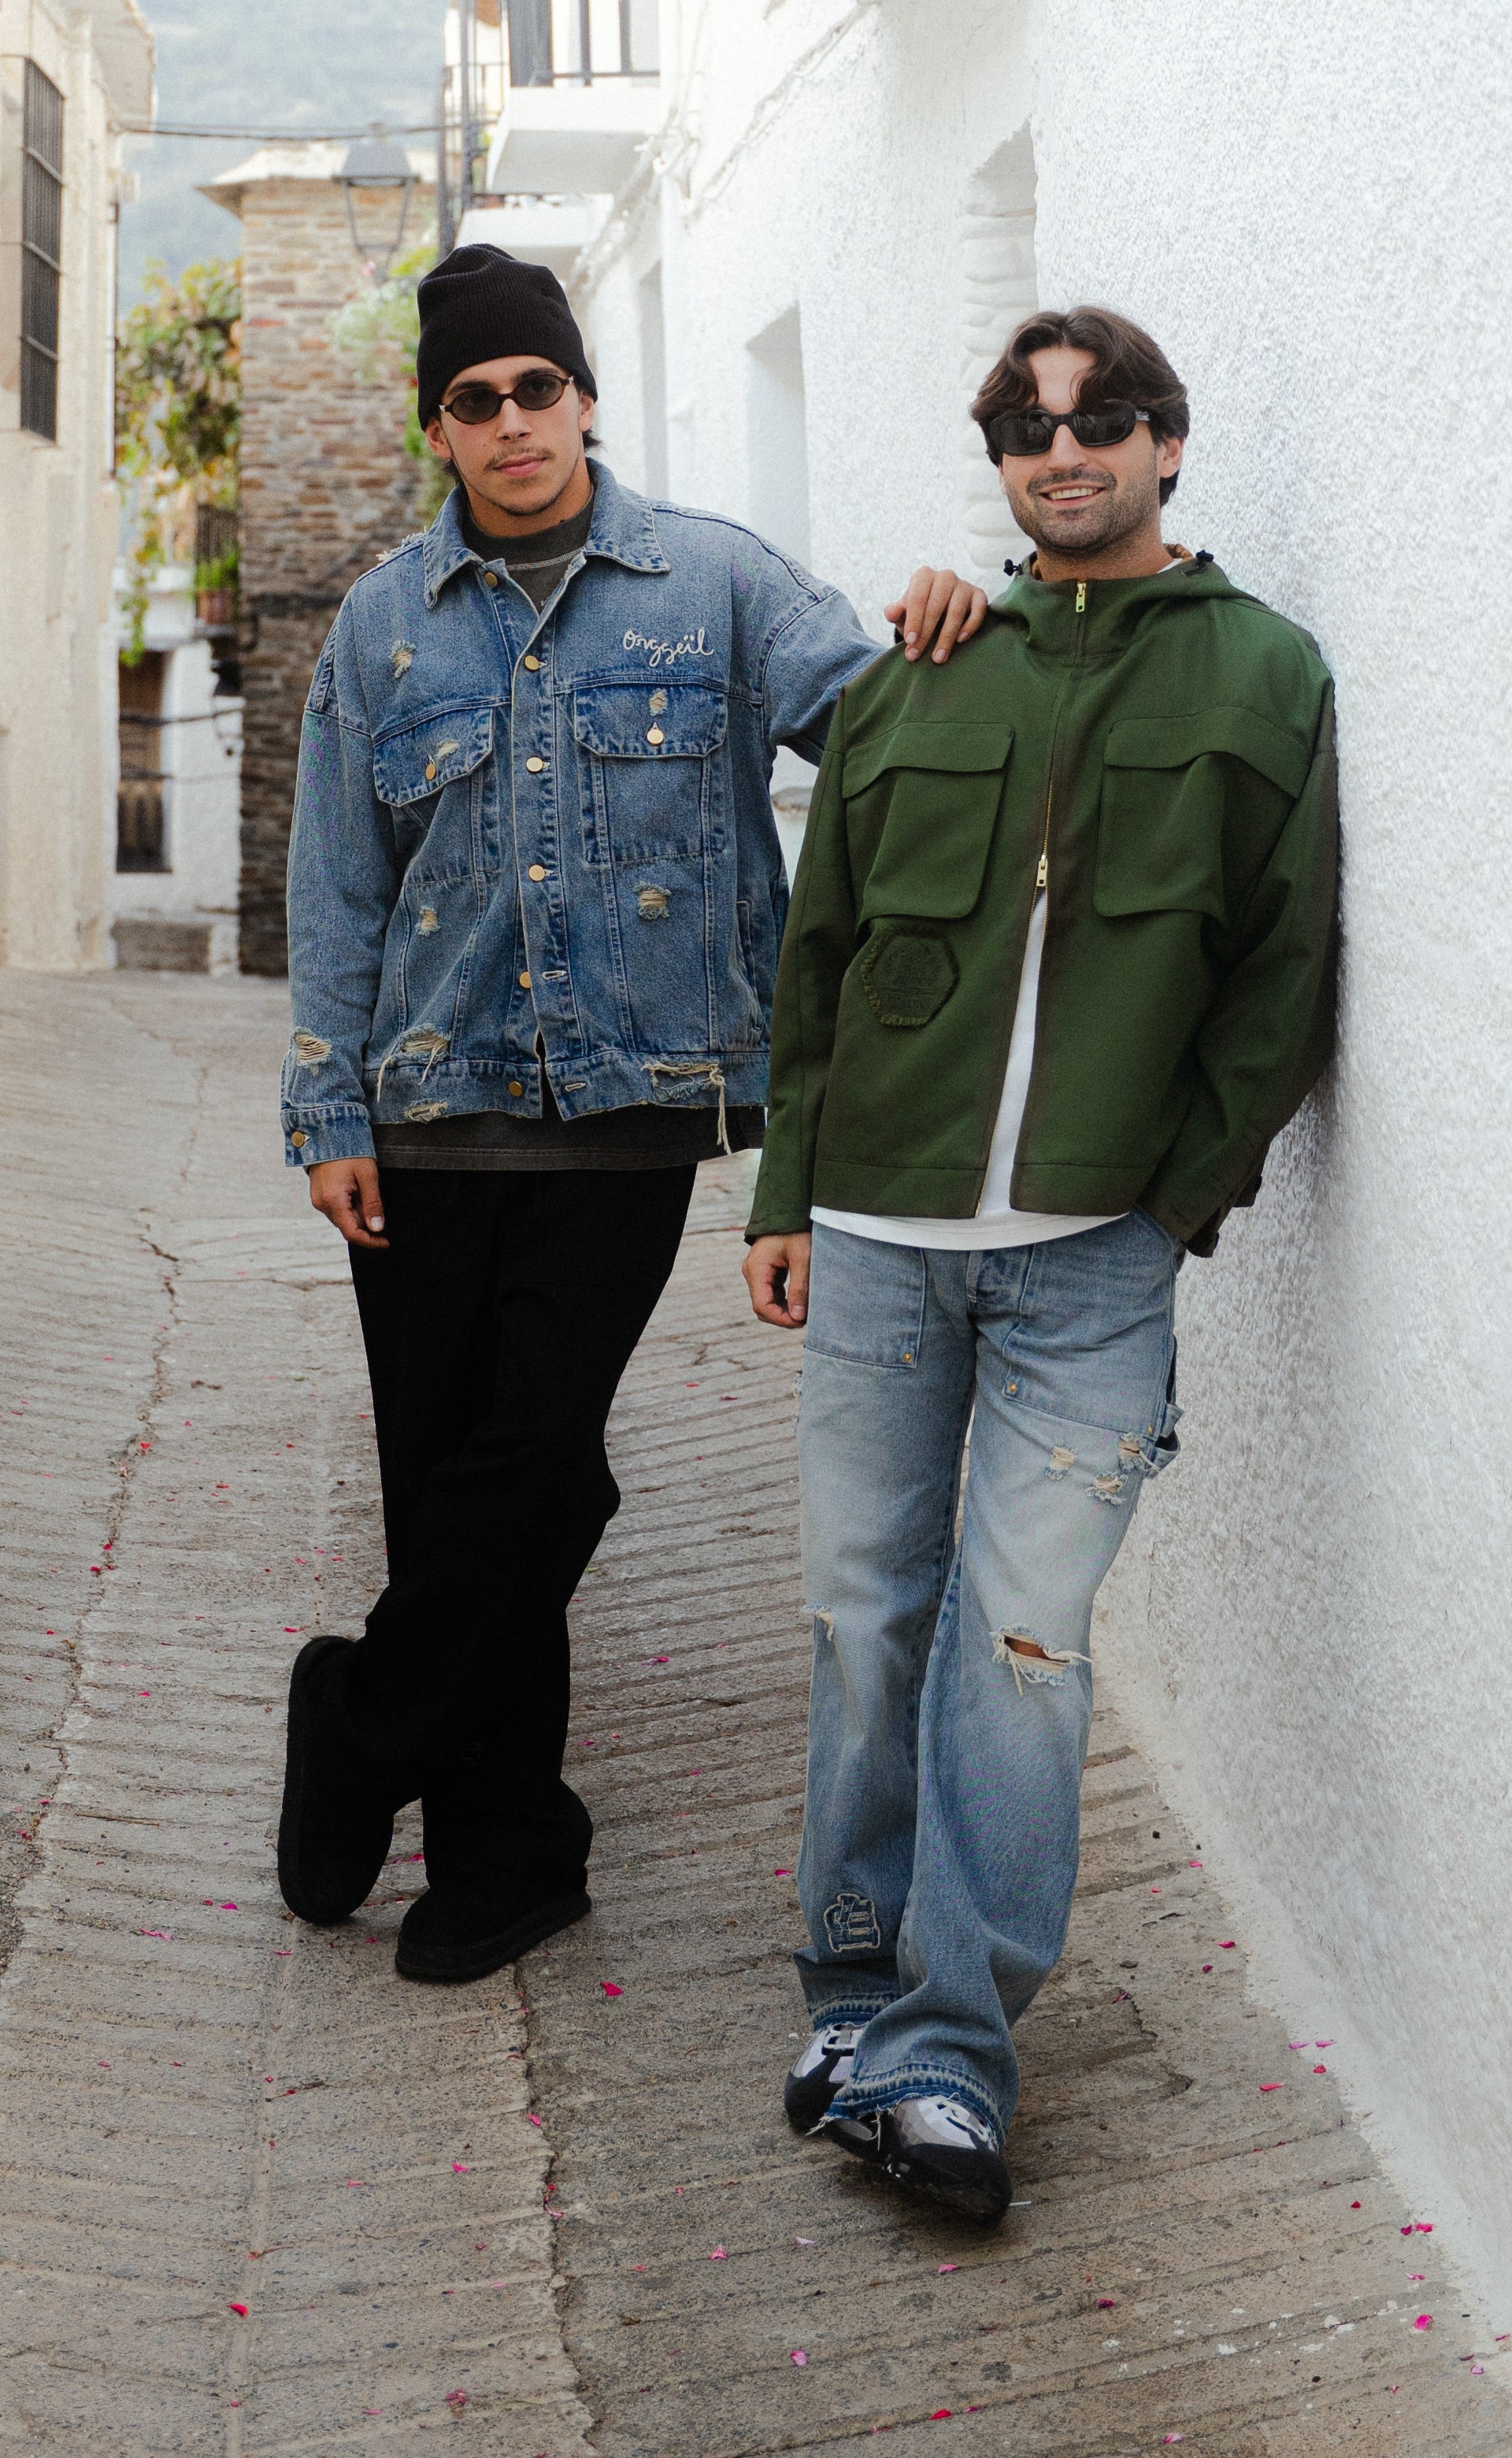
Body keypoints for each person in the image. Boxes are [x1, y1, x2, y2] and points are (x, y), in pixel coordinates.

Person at [276, 244, 990, 1985]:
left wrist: (967, 624)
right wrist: (328, 1104)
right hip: (422, 1114)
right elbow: (337, 884)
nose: (512, 421)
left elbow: (888, 733)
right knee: (445, 1486)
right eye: (475, 400)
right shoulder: (381, 625)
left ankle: (357, 1722)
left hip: (628, 1113)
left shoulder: (717, 584)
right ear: (440, 429)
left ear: (584, 399)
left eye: (538, 387)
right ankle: (509, 1851)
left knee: (536, 1461)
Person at [744, 306, 1339, 2223]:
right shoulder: (922, 668)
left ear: (1170, 443)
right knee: (866, 1622)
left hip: (1091, 1258)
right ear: (997, 461)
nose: (1062, 453)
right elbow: (823, 954)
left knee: (1019, 1647)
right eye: (1024, 428)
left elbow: (1281, 971)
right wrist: (784, 1194)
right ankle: (850, 1996)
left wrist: (1174, 1202)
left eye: (1103, 420)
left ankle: (945, 2056)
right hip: (879, 1238)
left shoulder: (1264, 672)